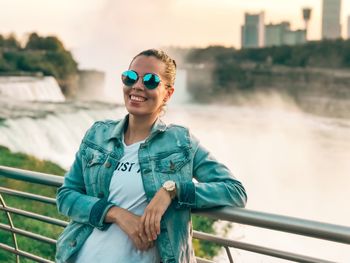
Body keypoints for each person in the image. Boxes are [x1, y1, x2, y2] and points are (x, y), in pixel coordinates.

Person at [56, 49, 247, 263]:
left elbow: (234, 191)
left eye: (150, 80)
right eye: (131, 77)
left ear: (168, 93)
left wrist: (172, 191)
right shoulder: (98, 135)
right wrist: (116, 214)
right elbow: (66, 196)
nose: (137, 86)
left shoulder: (181, 143)